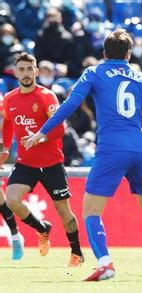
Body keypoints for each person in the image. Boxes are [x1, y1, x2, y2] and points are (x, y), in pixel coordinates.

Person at [24, 29, 142, 281]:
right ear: (129, 54)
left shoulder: (94, 72)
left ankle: (105, 263)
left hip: (111, 148)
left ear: (104, 53)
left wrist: (43, 131)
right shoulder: (141, 78)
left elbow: (72, 103)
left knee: (90, 211)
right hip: (139, 149)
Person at [0, 53, 84, 266]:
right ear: (15, 72)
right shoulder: (9, 99)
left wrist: (40, 137)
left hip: (51, 163)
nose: (26, 74)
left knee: (64, 211)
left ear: (36, 71)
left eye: (30, 69)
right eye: (22, 70)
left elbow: (60, 128)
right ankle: (42, 228)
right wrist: (6, 147)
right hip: (25, 163)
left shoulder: (47, 96)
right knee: (11, 199)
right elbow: (8, 122)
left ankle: (76, 252)